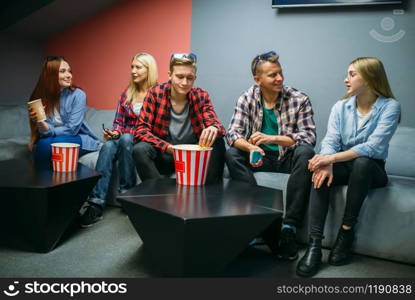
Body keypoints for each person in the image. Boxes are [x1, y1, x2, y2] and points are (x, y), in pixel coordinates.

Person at [296, 57, 401, 277]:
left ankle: (346, 234)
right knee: (318, 170)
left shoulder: (390, 107)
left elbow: (373, 147)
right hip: (344, 164)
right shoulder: (340, 107)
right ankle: (314, 246)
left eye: (352, 74)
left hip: (373, 170)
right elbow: (331, 140)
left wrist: (331, 159)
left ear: (370, 77)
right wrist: (325, 161)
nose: (346, 79)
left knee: (362, 163)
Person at [225, 51, 316, 260]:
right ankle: (261, 218)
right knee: (232, 154)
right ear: (258, 80)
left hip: (289, 159)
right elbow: (232, 134)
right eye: (272, 75)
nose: (279, 78)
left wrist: (272, 138)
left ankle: (289, 228)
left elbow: (309, 137)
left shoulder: (299, 99)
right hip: (262, 159)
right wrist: (250, 147)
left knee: (306, 152)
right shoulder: (247, 98)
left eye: (280, 72)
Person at [80, 53, 158, 228]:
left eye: (138, 67)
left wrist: (124, 135)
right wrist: (113, 133)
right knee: (107, 145)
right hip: (124, 138)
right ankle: (96, 203)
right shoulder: (126, 93)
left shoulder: (158, 94)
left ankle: (126, 194)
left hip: (143, 140)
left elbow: (158, 126)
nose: (133, 71)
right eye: (132, 67)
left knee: (126, 138)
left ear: (148, 69)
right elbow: (119, 122)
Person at [133, 53, 226, 183]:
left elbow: (219, 127)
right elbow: (141, 131)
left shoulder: (201, 95)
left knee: (218, 141)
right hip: (165, 153)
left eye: (190, 78)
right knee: (140, 149)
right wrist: (169, 148)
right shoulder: (155, 93)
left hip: (192, 155)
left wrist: (213, 128)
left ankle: (211, 194)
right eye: (179, 76)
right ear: (170, 75)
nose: (184, 82)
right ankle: (157, 193)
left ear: (195, 78)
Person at [28, 56, 99, 164]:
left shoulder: (78, 95)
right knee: (43, 144)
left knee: (51, 143)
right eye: (63, 71)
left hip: (79, 138)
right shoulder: (42, 99)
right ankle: (43, 180)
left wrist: (49, 130)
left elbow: (72, 129)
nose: (69, 75)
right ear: (50, 75)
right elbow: (44, 131)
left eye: (69, 71)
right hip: (52, 139)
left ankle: (41, 179)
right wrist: (41, 122)